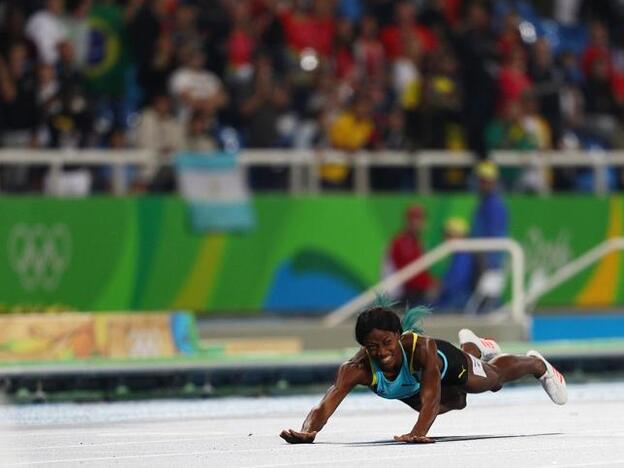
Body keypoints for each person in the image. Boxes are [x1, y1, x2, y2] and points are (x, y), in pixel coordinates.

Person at [280, 304, 566, 444]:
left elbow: (431, 398)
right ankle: (474, 347)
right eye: (372, 347)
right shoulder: (356, 370)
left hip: (445, 363)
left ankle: (536, 364)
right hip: (415, 390)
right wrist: (308, 431)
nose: (381, 353)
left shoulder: (422, 349)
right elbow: (324, 405)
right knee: (458, 402)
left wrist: (417, 433)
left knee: (491, 381)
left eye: (388, 343)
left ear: (399, 336)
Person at [467, 162, 509, 314]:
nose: (482, 184)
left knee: (486, 307)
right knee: (484, 306)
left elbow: (494, 237)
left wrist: (488, 262)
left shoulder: (494, 205)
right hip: (483, 262)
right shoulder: (484, 203)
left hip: (490, 264)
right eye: (481, 180)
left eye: (486, 180)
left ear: (493, 182)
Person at [386, 204, 436, 305]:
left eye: (422, 219)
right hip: (400, 295)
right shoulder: (402, 242)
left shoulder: (415, 242)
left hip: (410, 292)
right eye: (416, 219)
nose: (420, 223)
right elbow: (411, 274)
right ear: (409, 221)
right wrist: (431, 285)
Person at [434, 217, 474, 311]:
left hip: (456, 302)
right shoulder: (459, 256)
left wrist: (439, 287)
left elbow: (454, 285)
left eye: (448, 235)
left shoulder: (462, 257)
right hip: (454, 300)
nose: (444, 238)